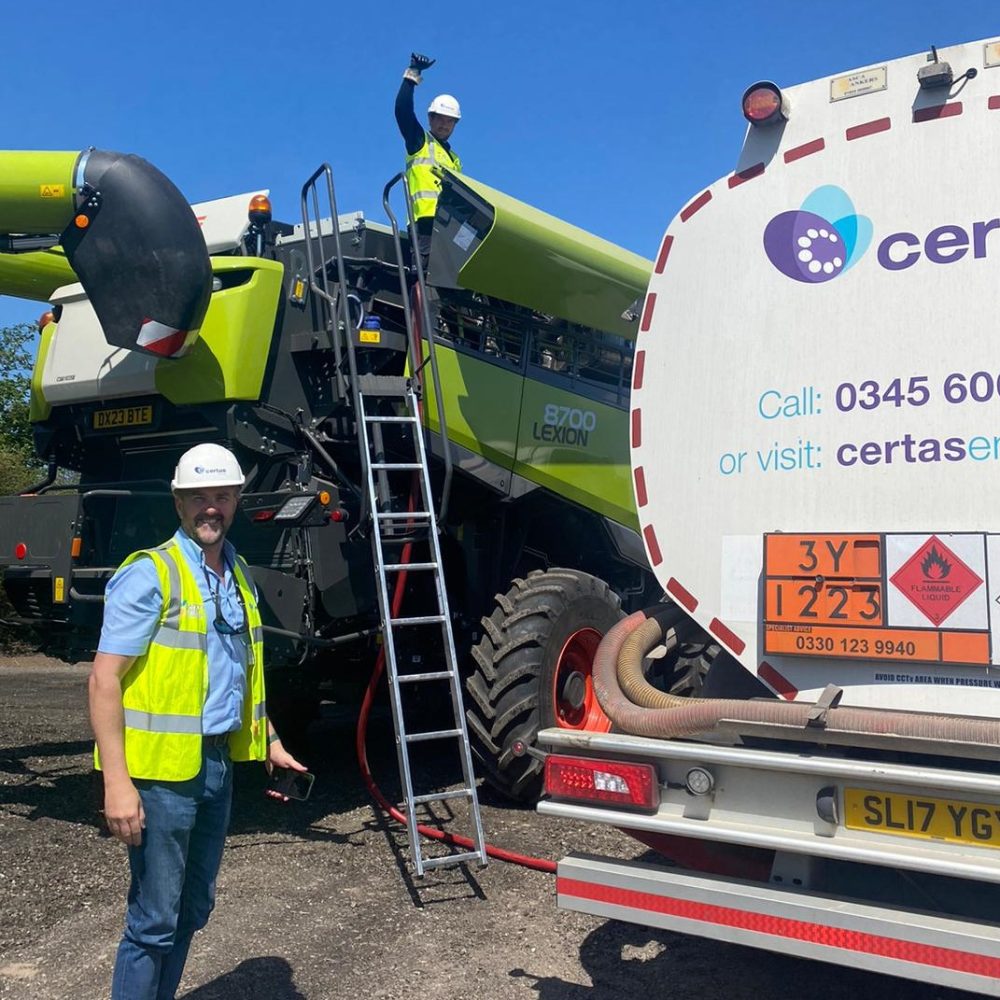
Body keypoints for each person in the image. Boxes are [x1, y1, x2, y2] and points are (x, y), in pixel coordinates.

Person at [88, 442, 307, 1000]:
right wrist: (118, 784)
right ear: (179, 502)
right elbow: (103, 681)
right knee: (154, 919)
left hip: (215, 766)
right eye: (199, 497)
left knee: (193, 908)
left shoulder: (236, 574)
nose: (211, 507)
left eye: (222, 496)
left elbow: (238, 671)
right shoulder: (152, 573)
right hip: (161, 777)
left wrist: (270, 740)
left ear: (236, 500)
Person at [395, 51, 463, 268]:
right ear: (430, 119)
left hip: (449, 228)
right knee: (426, 276)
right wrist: (412, 75)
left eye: (449, 121)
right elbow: (402, 111)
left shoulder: (455, 160)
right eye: (440, 119)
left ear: (455, 125)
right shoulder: (420, 142)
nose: (444, 125)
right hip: (424, 224)